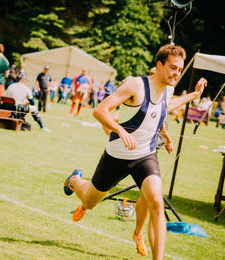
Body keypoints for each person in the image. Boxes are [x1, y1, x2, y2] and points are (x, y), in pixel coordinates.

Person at [63, 44, 207, 259]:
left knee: (156, 202)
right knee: (90, 202)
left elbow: (167, 105)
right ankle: (74, 180)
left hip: (145, 156)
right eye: (173, 68)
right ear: (159, 65)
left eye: (180, 69)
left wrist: (194, 94)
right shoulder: (135, 85)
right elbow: (99, 110)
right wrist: (120, 131)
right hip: (116, 156)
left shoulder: (169, 89)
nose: (177, 73)